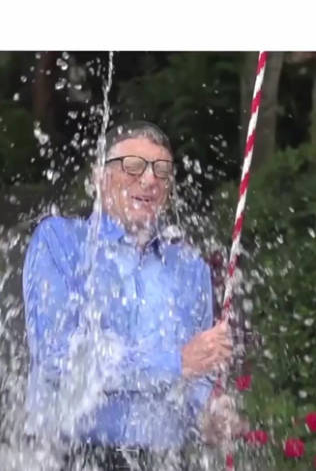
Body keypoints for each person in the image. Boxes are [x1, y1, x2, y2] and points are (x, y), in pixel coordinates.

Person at [23, 120, 234, 470]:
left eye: (161, 170)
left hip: (166, 458)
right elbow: (57, 357)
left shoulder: (189, 266)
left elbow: (197, 377)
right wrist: (175, 362)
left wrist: (208, 414)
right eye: (132, 166)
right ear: (98, 177)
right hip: (75, 452)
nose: (149, 179)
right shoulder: (61, 242)